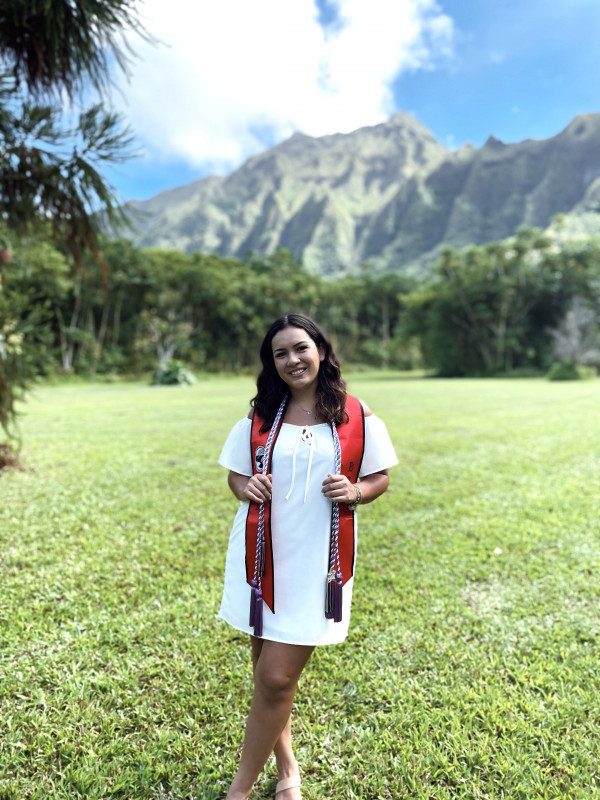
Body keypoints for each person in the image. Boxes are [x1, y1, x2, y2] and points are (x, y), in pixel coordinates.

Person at [218, 313, 398, 800]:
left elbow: (379, 476)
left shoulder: (356, 415)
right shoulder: (260, 417)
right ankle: (288, 772)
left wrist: (356, 490)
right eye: (280, 353)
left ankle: (238, 790)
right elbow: (236, 475)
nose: (293, 359)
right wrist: (246, 485)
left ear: (320, 349)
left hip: (319, 563)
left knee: (276, 678)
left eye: (300, 348)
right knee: (266, 675)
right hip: (261, 559)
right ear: (271, 363)